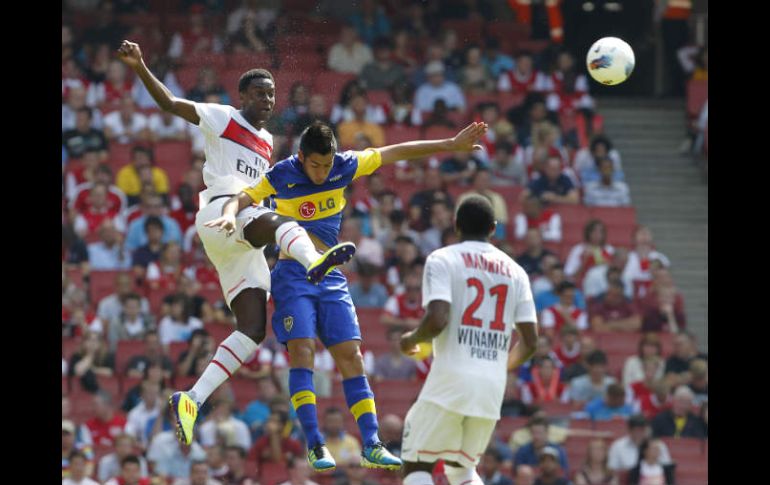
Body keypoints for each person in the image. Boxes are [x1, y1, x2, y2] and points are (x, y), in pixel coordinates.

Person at [117, 40, 358, 446]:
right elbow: (171, 103)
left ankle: (192, 398)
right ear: (242, 95)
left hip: (239, 240)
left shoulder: (266, 145)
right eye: (260, 93)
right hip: (222, 210)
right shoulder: (222, 117)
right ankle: (314, 262)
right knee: (280, 224)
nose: (268, 99)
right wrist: (141, 66)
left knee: (251, 329)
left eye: (272, 94)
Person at [211, 121, 489, 470]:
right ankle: (314, 443)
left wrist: (450, 143)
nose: (322, 172)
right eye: (315, 165)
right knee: (303, 350)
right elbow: (244, 196)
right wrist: (226, 213)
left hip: (330, 277)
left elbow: (395, 152)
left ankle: (371, 442)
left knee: (352, 357)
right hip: (292, 274)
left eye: (327, 165)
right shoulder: (282, 174)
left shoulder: (345, 165)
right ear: (301, 157)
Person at [397, 195, 539, 485]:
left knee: (416, 463)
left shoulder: (443, 259)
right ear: (493, 228)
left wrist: (411, 338)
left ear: (456, 225)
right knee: (461, 468)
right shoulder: (517, 272)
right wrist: (501, 366)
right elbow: (531, 341)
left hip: (451, 379)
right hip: (490, 387)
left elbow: (438, 318)